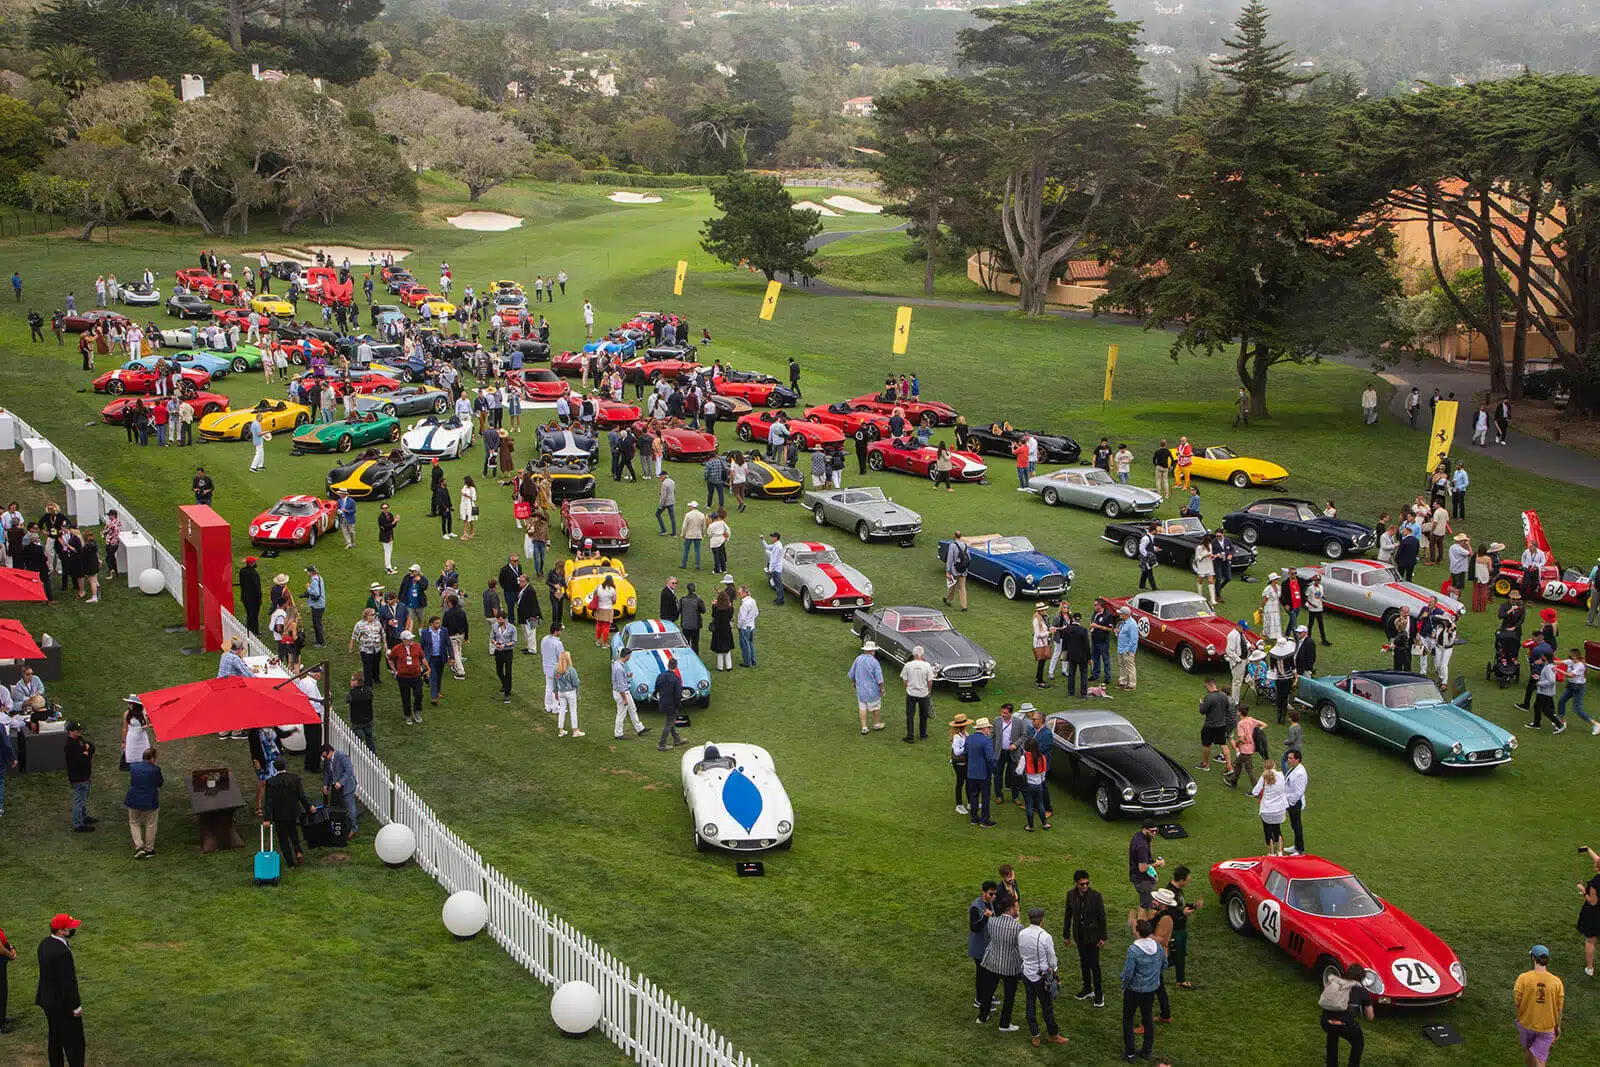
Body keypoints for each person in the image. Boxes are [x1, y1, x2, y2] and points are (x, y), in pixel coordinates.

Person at [35, 914, 86, 1067]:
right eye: (69, 928)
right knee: (75, 1044)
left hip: (47, 1001)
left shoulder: (44, 943)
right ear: (59, 931)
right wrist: (76, 1006)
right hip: (63, 1005)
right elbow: (68, 982)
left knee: (55, 1039)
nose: (72, 929)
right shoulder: (61, 953)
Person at [1017, 907, 1069, 1048]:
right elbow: (1052, 959)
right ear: (1042, 920)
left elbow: (1021, 953)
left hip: (1026, 974)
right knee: (1047, 1007)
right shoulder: (1045, 937)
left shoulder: (1022, 933)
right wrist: (1055, 971)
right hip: (1041, 977)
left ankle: (1035, 1035)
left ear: (1029, 918)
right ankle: (1053, 1035)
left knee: (1030, 1004)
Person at [975, 893, 1023, 1031]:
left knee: (987, 991)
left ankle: (982, 1017)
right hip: (1010, 965)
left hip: (992, 961)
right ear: (1011, 908)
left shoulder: (992, 921)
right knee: (1009, 995)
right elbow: (1018, 946)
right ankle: (1004, 1024)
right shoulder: (1018, 927)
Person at [1120, 918, 1165, 1063]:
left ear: (1138, 932)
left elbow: (1128, 974)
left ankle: (1130, 1053)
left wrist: (1124, 985)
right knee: (1147, 1018)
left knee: (1128, 1019)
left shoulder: (1133, 950)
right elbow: (1164, 964)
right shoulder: (1157, 946)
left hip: (1134, 990)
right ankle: (1146, 1051)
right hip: (1150, 990)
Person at [1063, 869, 1107, 1007]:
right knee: (1084, 963)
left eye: (1087, 883)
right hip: (1079, 935)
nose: (1085, 887)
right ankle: (1087, 988)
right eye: (1082, 884)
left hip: (1093, 935)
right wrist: (1066, 935)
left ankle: (1099, 994)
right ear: (1076, 883)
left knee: (1094, 965)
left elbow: (1102, 917)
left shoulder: (1096, 896)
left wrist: (1102, 937)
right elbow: (1068, 915)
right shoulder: (1071, 895)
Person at [1514, 946, 1563, 1067]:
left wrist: (1520, 1018)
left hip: (1526, 1024)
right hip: (1547, 1027)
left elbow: (1517, 1003)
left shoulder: (1523, 979)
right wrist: (1557, 1026)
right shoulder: (1556, 982)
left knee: (1528, 1050)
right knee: (1541, 1059)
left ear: (1533, 958)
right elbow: (1559, 1008)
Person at [1320, 962, 1374, 1067]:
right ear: (1361, 978)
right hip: (1345, 1025)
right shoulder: (1362, 991)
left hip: (1326, 1021)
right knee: (1358, 1042)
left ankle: (1331, 1064)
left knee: (1332, 1035)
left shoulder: (1333, 983)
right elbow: (1370, 1016)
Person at [263, 757, 310, 868]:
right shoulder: (295, 778)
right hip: (293, 812)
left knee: (283, 839)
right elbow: (301, 796)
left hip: (279, 815)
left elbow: (269, 801)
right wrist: (309, 807)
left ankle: (290, 864)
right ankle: (298, 851)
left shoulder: (271, 782)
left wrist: (266, 818)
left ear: (275, 768)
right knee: (294, 832)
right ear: (285, 766)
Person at [124, 746, 163, 859]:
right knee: (151, 823)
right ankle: (149, 849)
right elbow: (160, 783)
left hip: (133, 798)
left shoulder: (133, 767)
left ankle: (139, 846)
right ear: (152, 758)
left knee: (134, 822)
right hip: (149, 799)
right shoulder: (155, 769)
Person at [387, 629, 427, 725]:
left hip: (416, 676)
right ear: (403, 640)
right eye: (408, 640)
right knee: (405, 696)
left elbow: (422, 657)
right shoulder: (397, 649)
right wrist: (395, 671)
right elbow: (390, 659)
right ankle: (408, 715)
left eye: (411, 639)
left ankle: (417, 711)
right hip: (403, 677)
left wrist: (427, 667)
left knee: (419, 694)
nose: (411, 641)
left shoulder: (416, 646)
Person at [968, 881, 998, 1010]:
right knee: (982, 974)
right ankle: (979, 999)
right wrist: (985, 917)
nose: (993, 897)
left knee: (988, 973)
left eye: (994, 894)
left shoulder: (989, 903)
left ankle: (987, 996)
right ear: (983, 893)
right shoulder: (975, 907)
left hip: (988, 944)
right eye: (991, 894)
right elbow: (974, 928)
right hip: (979, 946)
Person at [320, 743, 359, 839]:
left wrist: (341, 782)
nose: (325, 758)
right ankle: (341, 823)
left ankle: (354, 828)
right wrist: (325, 785)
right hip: (336, 787)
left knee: (350, 808)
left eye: (326, 756)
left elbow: (349, 770)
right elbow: (327, 773)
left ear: (331, 751)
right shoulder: (327, 761)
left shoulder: (342, 756)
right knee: (338, 807)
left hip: (347, 786)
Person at [1128, 819, 1163, 920]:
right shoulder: (1142, 846)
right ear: (1145, 830)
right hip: (1143, 881)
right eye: (1152, 831)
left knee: (1144, 904)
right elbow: (1142, 868)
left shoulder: (1137, 836)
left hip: (1136, 876)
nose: (1154, 833)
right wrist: (1157, 864)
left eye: (1156, 830)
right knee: (1148, 908)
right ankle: (1144, 930)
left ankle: (1142, 927)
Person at [848, 641, 885, 734]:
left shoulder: (858, 659)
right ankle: (876, 724)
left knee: (862, 707)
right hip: (873, 690)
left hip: (860, 689)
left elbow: (852, 673)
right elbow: (879, 679)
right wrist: (882, 688)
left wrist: (854, 683)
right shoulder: (875, 662)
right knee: (875, 707)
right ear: (872, 651)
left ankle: (864, 727)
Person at [965, 717, 996, 827]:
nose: (989, 730)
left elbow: (966, 752)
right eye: (988, 728)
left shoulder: (969, 739)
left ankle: (974, 818)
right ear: (983, 728)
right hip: (984, 774)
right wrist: (994, 770)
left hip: (971, 772)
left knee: (973, 796)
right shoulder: (986, 741)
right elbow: (990, 758)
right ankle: (984, 820)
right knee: (985, 797)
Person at [1251, 763, 1288, 855]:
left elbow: (1255, 792)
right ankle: (1280, 851)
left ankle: (1271, 853)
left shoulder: (1263, 778)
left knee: (1267, 830)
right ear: (1274, 766)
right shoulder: (1281, 775)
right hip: (1280, 809)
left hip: (1267, 810)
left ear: (1265, 768)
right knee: (1277, 828)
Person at [64, 723, 95, 833]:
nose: (80, 731)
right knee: (79, 800)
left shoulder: (80, 740)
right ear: (71, 732)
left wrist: (87, 752)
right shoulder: (71, 746)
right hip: (78, 777)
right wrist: (87, 752)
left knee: (83, 798)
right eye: (77, 730)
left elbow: (92, 747)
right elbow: (82, 759)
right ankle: (78, 824)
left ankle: (83, 817)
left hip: (84, 775)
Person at [900, 646, 935, 743]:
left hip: (911, 693)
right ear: (922, 655)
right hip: (923, 694)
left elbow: (904, 679)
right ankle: (923, 734)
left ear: (913, 654)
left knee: (910, 715)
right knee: (923, 715)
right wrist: (928, 690)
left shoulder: (908, 665)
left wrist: (908, 688)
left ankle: (910, 736)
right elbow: (930, 681)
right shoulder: (927, 666)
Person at [1197, 678, 1231, 772]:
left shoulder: (1208, 697)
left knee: (1206, 745)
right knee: (1223, 744)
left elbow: (1202, 711)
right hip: (1221, 724)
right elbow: (1227, 707)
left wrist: (1201, 704)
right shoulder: (1224, 695)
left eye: (1205, 686)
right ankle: (1229, 766)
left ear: (1209, 685)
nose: (1205, 688)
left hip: (1210, 726)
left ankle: (1206, 764)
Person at [654, 654, 685, 750]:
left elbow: (656, 688)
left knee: (671, 721)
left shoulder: (661, 676)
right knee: (669, 723)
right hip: (672, 704)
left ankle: (677, 739)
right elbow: (678, 695)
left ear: (667, 665)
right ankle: (661, 744)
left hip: (663, 702)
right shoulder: (676, 679)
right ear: (676, 667)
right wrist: (678, 705)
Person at [1577, 847, 1600, 976]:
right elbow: (1597, 859)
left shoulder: (1595, 883)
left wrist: (1583, 890)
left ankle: (1590, 968)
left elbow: (1592, 902)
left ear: (1597, 868)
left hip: (1595, 914)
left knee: (1591, 940)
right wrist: (1588, 849)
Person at [1283, 749, 1308, 855]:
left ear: (1297, 759)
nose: (1288, 760)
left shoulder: (1300, 773)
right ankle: (1297, 846)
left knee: (1297, 825)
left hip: (1295, 802)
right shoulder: (1294, 769)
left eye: (1291, 758)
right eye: (1288, 758)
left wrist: (1291, 802)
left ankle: (1300, 849)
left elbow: (1298, 792)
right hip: (1291, 801)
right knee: (1294, 825)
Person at [490, 611, 516, 703]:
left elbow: (514, 641)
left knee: (508, 672)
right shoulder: (495, 627)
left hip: (508, 652)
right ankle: (505, 685)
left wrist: (504, 645)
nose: (498, 621)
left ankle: (507, 693)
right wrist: (495, 643)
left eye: (500, 619)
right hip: (498, 652)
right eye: (497, 619)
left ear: (504, 619)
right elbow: (492, 638)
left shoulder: (512, 628)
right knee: (499, 671)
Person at [345, 672, 375, 753]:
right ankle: (373, 755)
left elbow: (347, 701)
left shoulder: (351, 694)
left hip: (357, 721)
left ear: (356, 682)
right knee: (370, 739)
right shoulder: (369, 691)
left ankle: (360, 754)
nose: (350, 681)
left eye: (352, 680)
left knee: (358, 741)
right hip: (368, 719)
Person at [943, 533, 969, 612]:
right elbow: (968, 558)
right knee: (962, 587)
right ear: (961, 536)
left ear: (954, 536)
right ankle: (964, 607)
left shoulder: (952, 545)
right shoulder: (965, 546)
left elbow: (950, 559)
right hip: (963, 570)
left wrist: (948, 571)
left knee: (952, 585)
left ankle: (949, 600)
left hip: (954, 570)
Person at [1115, 606, 1139, 690]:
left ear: (1125, 615)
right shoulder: (1124, 622)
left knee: (1129, 666)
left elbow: (1134, 640)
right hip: (1121, 648)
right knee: (1122, 665)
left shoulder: (1132, 624)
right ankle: (1123, 682)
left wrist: (1130, 651)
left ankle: (1132, 685)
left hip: (1127, 650)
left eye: (1120, 613)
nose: (1119, 614)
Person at [737, 585, 759, 667]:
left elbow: (742, 619)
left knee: (745, 645)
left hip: (744, 628)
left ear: (745, 593)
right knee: (750, 644)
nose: (738, 594)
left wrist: (740, 626)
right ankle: (753, 660)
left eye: (740, 593)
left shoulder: (744, 605)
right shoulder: (752, 601)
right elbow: (756, 613)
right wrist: (751, 620)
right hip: (751, 626)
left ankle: (747, 662)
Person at [765, 532, 784, 605]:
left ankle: (780, 600)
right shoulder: (777, 545)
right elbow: (768, 547)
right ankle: (780, 599)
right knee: (778, 584)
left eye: (772, 537)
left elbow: (774, 560)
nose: (771, 538)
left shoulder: (777, 547)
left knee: (778, 585)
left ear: (776, 538)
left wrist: (770, 569)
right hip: (777, 568)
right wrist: (762, 540)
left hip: (776, 569)